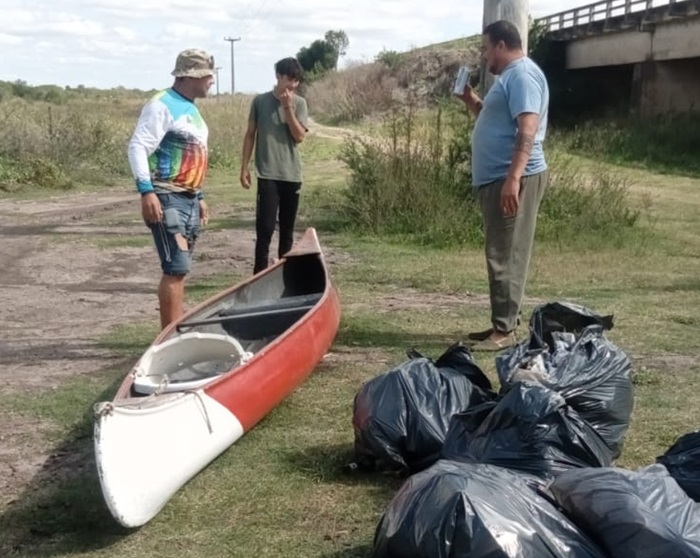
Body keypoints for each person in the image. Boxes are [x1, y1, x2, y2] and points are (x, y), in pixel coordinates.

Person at [457, 20, 549, 351]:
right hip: (500, 178)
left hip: (511, 178)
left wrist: (513, 178)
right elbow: (497, 121)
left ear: (500, 45)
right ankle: (504, 322)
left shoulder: (522, 75)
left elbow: (527, 128)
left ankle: (504, 331)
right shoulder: (511, 78)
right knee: (502, 250)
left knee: (504, 254)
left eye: (486, 49)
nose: (484, 57)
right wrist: (470, 100)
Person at [127, 48, 214, 330]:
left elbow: (191, 157)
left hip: (188, 197)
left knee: (181, 268)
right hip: (167, 195)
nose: (212, 80)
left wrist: (199, 195)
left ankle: (176, 331)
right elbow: (138, 147)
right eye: (207, 75)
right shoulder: (161, 105)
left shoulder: (191, 108)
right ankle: (170, 339)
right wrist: (146, 191)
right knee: (175, 267)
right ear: (191, 76)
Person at [240, 57, 309, 274]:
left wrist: (287, 108)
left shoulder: (300, 103)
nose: (293, 85)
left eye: (296, 81)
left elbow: (299, 137)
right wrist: (244, 167)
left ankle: (284, 275)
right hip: (267, 174)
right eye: (290, 79)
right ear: (278, 76)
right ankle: (259, 276)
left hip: (292, 175)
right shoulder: (260, 101)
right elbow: (250, 135)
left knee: (287, 231)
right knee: (265, 229)